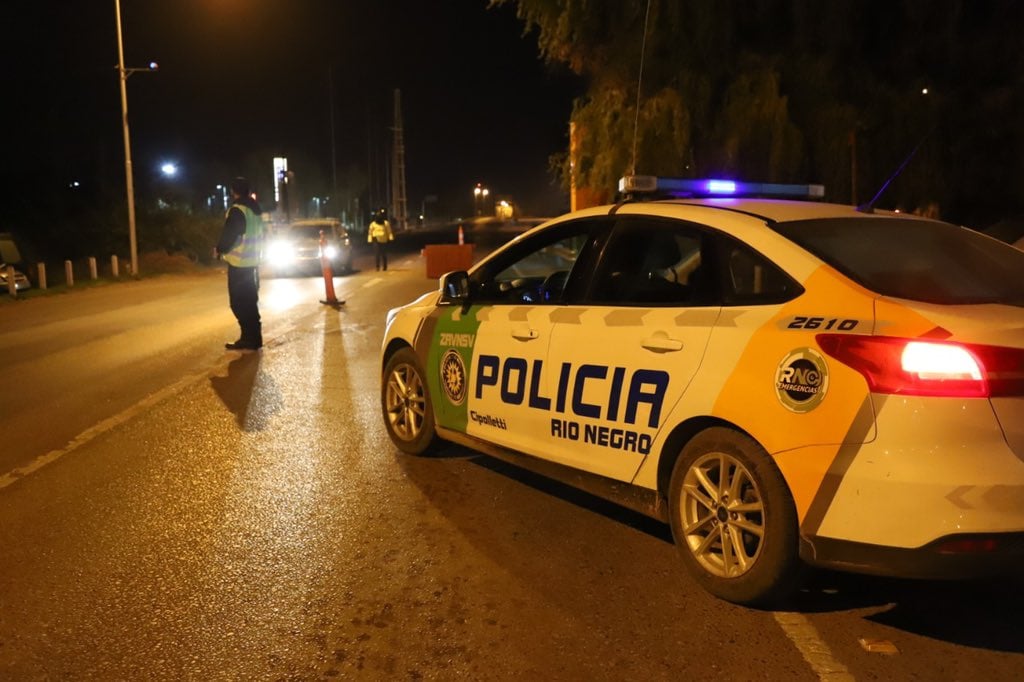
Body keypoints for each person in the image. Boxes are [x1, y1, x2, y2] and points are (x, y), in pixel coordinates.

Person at [216, 177, 265, 350]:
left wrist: (219, 249)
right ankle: (254, 337)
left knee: (238, 303)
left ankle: (248, 338)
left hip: (239, 263)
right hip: (253, 262)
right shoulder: (256, 209)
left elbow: (230, 234)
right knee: (250, 301)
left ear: (233, 191)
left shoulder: (238, 210)